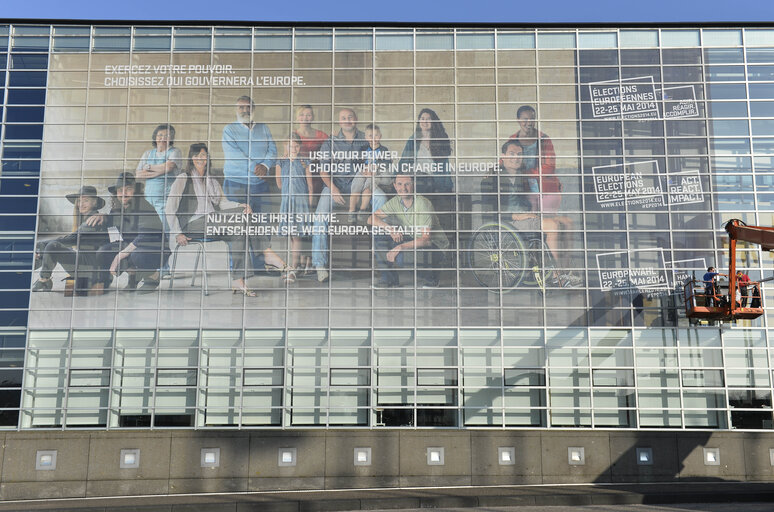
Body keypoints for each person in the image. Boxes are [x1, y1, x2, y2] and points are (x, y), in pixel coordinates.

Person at [166, 143, 262, 297]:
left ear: (207, 158)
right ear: (191, 158)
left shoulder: (212, 180)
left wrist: (239, 205)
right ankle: (263, 252)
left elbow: (222, 203)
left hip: (213, 222)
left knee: (240, 226)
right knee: (239, 220)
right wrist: (177, 233)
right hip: (193, 224)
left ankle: (238, 280)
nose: (199, 158)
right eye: (196, 155)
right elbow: (170, 209)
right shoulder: (183, 178)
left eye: (203, 155)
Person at [311, 108, 386, 282]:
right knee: (320, 215)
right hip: (335, 186)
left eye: (350, 117)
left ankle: (380, 259)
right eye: (343, 118)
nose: (347, 120)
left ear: (356, 119)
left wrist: (373, 172)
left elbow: (380, 160)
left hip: (361, 184)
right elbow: (323, 170)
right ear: (339, 122)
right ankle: (320, 264)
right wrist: (333, 189)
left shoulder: (366, 138)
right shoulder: (331, 142)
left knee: (381, 198)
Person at [498, 140, 580, 287]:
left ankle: (566, 270)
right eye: (512, 154)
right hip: (509, 222)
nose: (516, 157)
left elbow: (532, 201)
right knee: (552, 225)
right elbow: (489, 211)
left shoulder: (521, 178)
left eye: (519, 154)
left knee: (567, 222)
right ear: (503, 156)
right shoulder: (493, 179)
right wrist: (516, 216)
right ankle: (557, 276)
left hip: (528, 218)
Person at [222, 96, 277, 269]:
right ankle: (239, 271)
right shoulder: (229, 130)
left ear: (254, 108)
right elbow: (235, 157)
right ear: (235, 110)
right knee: (238, 227)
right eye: (241, 107)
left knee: (262, 225)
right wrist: (257, 167)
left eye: (249, 107)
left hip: (259, 184)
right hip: (236, 183)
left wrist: (266, 165)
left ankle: (261, 266)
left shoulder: (264, 127)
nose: (245, 110)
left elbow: (272, 149)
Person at [368, 174, 449, 288]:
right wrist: (390, 229)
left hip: (435, 246)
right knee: (378, 234)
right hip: (414, 239)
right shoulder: (396, 201)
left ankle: (432, 276)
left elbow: (426, 240)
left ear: (413, 185)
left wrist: (400, 247)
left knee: (402, 258)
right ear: (395, 186)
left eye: (407, 184)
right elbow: (371, 218)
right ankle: (389, 280)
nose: (403, 188)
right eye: (400, 184)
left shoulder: (422, 203)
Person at [95, 172, 167, 293]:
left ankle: (153, 276)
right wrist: (104, 217)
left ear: (136, 191)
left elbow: (144, 237)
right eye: (120, 190)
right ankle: (132, 276)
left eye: (128, 189)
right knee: (104, 251)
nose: (123, 193)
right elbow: (114, 234)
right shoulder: (116, 210)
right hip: (132, 246)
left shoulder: (144, 207)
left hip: (154, 249)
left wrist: (120, 255)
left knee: (136, 255)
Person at [32, 185, 109, 292]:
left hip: (92, 270)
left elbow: (70, 239)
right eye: (79, 201)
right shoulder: (90, 218)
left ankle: (43, 280)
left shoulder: (93, 221)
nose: (81, 204)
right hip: (89, 265)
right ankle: (36, 271)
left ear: (94, 203)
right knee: (51, 248)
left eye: (86, 200)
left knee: (53, 246)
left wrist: (39, 246)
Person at [508, 105, 560, 213]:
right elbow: (506, 159)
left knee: (547, 223)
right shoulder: (513, 139)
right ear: (518, 120)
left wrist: (526, 174)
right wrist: (494, 169)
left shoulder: (544, 139)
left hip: (545, 190)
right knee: (530, 222)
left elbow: (550, 167)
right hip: (523, 188)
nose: (529, 123)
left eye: (532, 119)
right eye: (525, 120)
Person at [275, 135, 313, 280]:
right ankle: (295, 266)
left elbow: (310, 186)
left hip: (301, 202)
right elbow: (279, 183)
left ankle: (293, 269)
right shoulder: (281, 162)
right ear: (286, 146)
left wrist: (309, 205)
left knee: (297, 237)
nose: (294, 149)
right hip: (287, 201)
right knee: (292, 237)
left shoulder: (304, 162)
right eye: (291, 146)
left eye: (297, 146)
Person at [398, 108, 453, 196]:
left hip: (434, 180)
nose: (425, 121)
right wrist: (396, 177)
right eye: (422, 118)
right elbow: (404, 161)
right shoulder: (413, 140)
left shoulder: (439, 140)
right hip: (417, 179)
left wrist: (447, 186)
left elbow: (444, 166)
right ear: (419, 121)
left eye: (428, 119)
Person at [349, 123, 391, 221]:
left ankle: (362, 210)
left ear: (380, 136)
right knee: (356, 188)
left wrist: (375, 168)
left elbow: (387, 163)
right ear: (366, 137)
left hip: (375, 173)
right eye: (370, 135)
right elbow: (355, 161)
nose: (373, 138)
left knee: (367, 189)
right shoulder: (363, 149)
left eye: (376, 135)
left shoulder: (384, 150)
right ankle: (351, 211)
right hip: (363, 172)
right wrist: (364, 168)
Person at [293, 104, 329, 207]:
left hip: (318, 175)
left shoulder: (321, 135)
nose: (305, 118)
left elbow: (330, 153)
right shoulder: (293, 135)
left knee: (318, 206)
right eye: (301, 115)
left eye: (308, 115)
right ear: (297, 117)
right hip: (300, 175)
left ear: (312, 117)